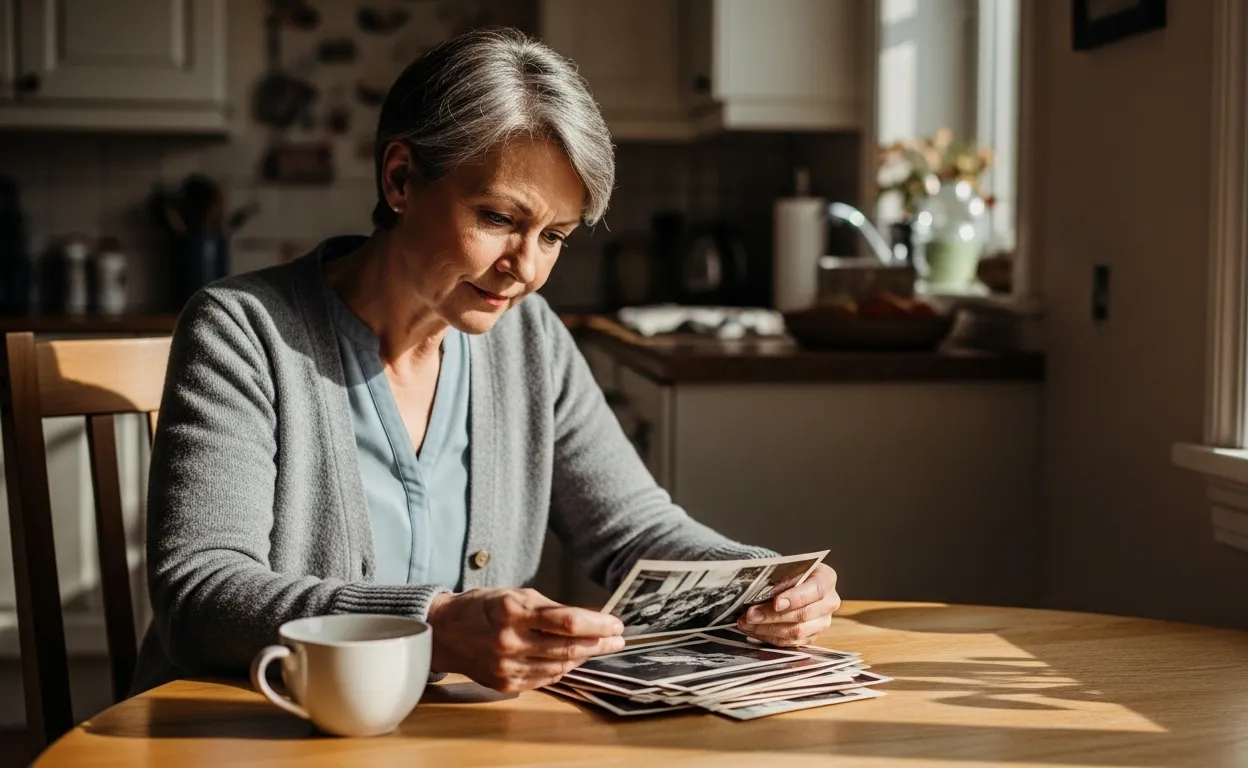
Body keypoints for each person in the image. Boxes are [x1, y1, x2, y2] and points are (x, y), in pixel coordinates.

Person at [135, 28, 840, 696]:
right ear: (402, 179)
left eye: (555, 236)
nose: (525, 270)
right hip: (246, 731)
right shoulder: (243, 330)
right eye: (499, 219)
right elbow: (201, 594)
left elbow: (634, 529)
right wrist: (434, 626)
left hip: (439, 741)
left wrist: (763, 582)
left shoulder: (528, 338)